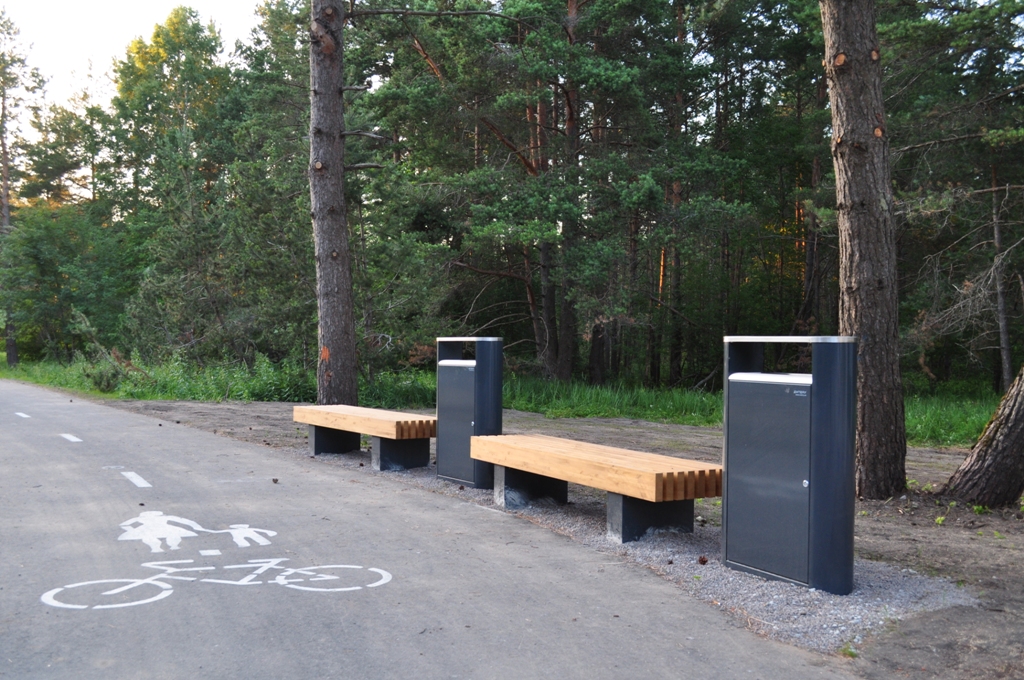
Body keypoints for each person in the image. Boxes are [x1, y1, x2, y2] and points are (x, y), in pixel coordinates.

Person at [118, 511, 205, 553]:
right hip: (162, 529)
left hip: (149, 530)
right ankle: (169, 546)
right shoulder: (164, 517)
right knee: (173, 534)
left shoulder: (141, 518)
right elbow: (186, 521)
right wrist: (197, 527)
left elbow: (124, 525)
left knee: (149, 536)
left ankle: (158, 548)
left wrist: (132, 531)